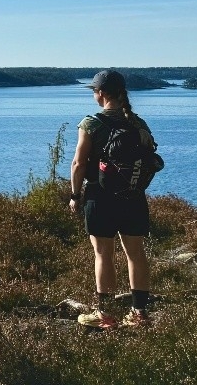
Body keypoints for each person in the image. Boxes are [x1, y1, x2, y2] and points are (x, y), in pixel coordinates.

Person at [70, 69, 156, 329]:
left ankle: (105, 315)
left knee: (103, 254)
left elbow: (78, 163)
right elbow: (150, 160)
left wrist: (75, 195)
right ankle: (139, 314)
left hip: (100, 197)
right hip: (133, 197)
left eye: (95, 91)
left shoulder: (91, 123)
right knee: (135, 254)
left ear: (102, 93)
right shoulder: (139, 124)